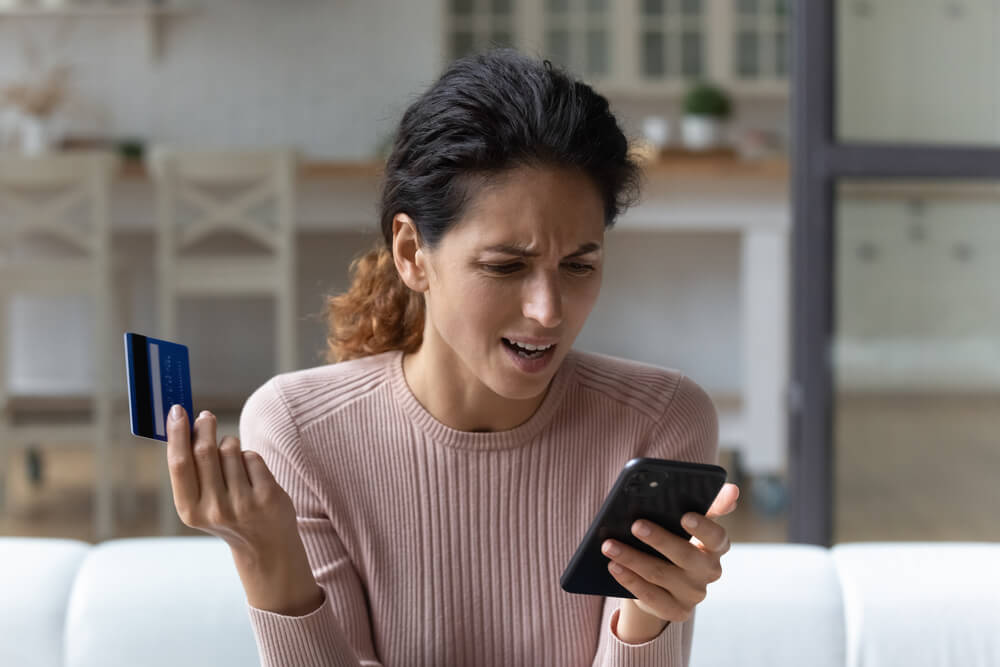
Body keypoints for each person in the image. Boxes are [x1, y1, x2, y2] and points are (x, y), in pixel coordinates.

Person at [164, 48, 740, 667]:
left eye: (579, 265)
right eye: (505, 266)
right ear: (413, 253)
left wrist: (646, 617)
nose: (549, 311)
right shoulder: (299, 431)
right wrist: (264, 558)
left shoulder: (659, 420)